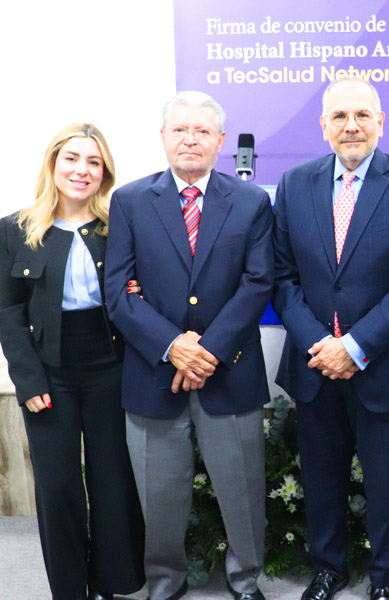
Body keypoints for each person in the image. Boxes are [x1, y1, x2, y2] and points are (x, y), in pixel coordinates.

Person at [271, 76, 389, 600]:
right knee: (321, 479)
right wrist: (321, 346)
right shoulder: (294, 183)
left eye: (362, 116)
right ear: (323, 126)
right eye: (340, 117)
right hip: (314, 364)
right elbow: (283, 277)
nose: (351, 126)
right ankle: (329, 568)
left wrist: (355, 346)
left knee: (383, 483)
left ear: (380, 122)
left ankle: (384, 578)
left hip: (381, 365)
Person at [104, 91, 274, 600]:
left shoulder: (251, 201)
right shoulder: (132, 200)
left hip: (230, 371)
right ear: (163, 138)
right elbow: (118, 290)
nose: (190, 139)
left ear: (221, 141)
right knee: (159, 497)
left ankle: (246, 581)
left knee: (243, 494)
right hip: (154, 374)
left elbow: (258, 283)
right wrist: (173, 344)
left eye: (202, 131)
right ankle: (165, 581)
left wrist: (207, 351)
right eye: (180, 129)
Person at [0, 123, 145, 600]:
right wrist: (27, 379)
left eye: (93, 162)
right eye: (73, 159)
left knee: (111, 482)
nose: (82, 170)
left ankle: (109, 583)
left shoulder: (119, 226)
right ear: (53, 164)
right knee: (59, 487)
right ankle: (69, 588)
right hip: (48, 373)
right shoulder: (15, 229)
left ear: (104, 172)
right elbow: (8, 311)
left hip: (111, 366)